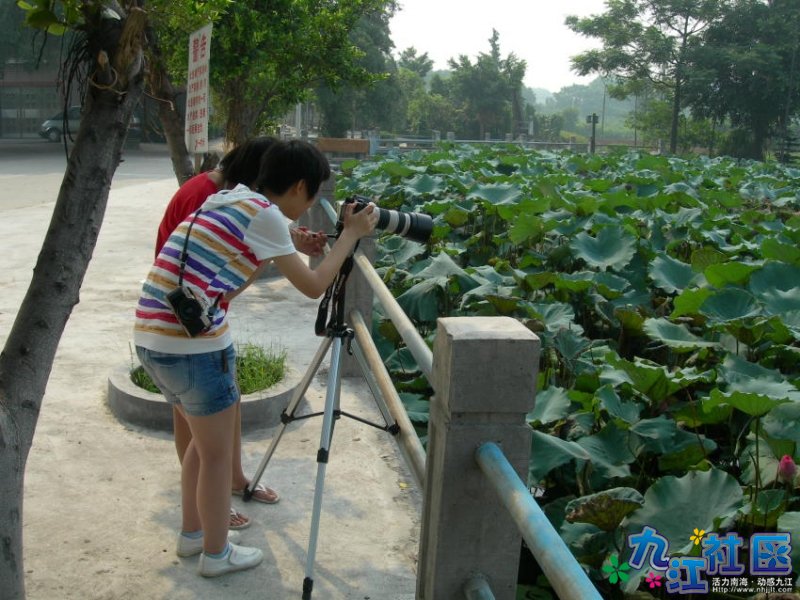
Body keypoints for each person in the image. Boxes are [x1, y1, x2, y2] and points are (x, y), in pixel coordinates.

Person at [134, 139, 377, 577]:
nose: (311, 206)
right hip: (193, 349)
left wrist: (281, 244)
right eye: (313, 195)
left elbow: (229, 281)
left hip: (154, 340)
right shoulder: (265, 214)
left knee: (201, 448)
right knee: (215, 456)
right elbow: (314, 286)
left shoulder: (231, 198)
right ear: (300, 186)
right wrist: (351, 235)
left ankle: (193, 535)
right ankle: (216, 555)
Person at [155, 137, 327, 530]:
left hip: (201, 319)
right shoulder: (206, 195)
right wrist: (340, 238)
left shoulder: (228, 197)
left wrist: (282, 242)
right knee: (200, 439)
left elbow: (239, 258)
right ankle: (210, 514)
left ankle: (223, 491)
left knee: (221, 412)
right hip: (184, 325)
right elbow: (306, 284)